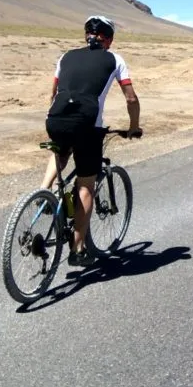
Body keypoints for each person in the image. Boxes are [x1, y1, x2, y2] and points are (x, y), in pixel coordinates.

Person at [42, 15, 142, 267]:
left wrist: (57, 120)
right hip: (86, 125)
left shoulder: (66, 56)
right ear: (109, 39)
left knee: (61, 151)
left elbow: (53, 93)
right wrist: (133, 127)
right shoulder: (115, 59)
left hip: (55, 119)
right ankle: (77, 249)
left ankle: (44, 191)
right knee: (85, 185)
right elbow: (131, 99)